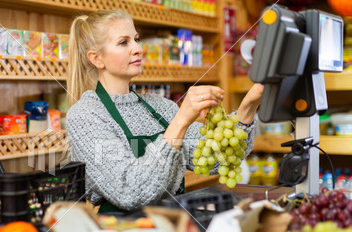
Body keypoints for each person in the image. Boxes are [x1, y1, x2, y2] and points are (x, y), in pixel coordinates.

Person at [65, 9, 263, 214]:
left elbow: (217, 159)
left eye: (136, 39)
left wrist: (248, 107)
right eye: (124, 42)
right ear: (97, 59)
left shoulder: (160, 106)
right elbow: (129, 191)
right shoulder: (85, 116)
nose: (138, 49)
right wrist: (181, 121)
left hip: (171, 224)